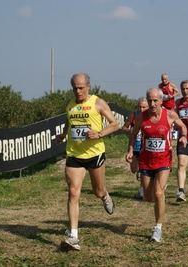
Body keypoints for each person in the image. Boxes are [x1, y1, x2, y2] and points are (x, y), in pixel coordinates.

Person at [56, 73, 119, 251]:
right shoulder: (70, 104)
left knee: (97, 191)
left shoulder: (98, 103)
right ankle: (74, 236)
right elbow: (69, 123)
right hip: (75, 154)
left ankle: (105, 196)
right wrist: (63, 135)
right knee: (73, 192)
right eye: (75, 88)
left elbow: (114, 124)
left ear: (88, 86)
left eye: (81, 88)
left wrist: (99, 134)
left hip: (94, 154)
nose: (78, 91)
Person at [125, 87, 187, 243]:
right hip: (146, 161)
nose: (152, 104)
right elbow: (133, 135)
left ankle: (157, 228)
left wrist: (184, 137)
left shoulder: (170, 115)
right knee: (148, 197)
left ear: (161, 100)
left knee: (158, 193)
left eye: (155, 101)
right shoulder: (141, 117)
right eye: (150, 100)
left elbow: (183, 126)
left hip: (164, 160)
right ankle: (158, 194)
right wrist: (131, 150)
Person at [122, 97, 149, 199]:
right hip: (134, 146)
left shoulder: (150, 116)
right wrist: (130, 131)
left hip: (145, 147)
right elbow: (124, 128)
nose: (141, 109)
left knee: (143, 168)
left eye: (144, 107)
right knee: (134, 169)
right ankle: (139, 172)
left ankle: (142, 189)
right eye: (139, 107)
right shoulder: (133, 115)